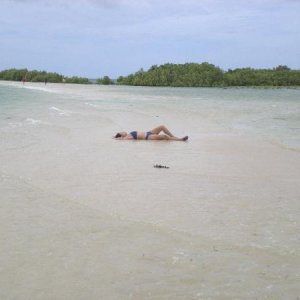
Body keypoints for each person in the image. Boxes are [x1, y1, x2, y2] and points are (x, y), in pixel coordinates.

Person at [114, 125, 188, 141]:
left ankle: (173, 137)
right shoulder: (127, 137)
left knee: (162, 127)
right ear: (121, 135)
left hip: (149, 133)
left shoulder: (129, 133)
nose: (123, 131)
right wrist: (119, 138)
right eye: (122, 132)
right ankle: (179, 140)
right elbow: (123, 140)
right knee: (164, 136)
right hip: (148, 137)